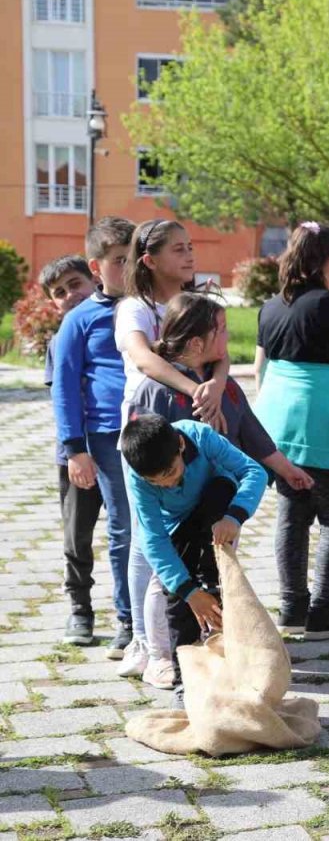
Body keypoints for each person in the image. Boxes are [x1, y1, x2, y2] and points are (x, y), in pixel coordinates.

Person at [115, 219, 229, 685]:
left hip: (193, 427)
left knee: (187, 533)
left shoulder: (202, 296)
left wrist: (215, 386)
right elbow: (145, 359)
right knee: (148, 537)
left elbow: (220, 352)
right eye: (177, 249)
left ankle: (188, 632)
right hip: (150, 425)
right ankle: (146, 642)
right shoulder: (134, 308)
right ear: (149, 259)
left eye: (190, 247)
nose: (189, 255)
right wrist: (196, 389)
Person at [254, 222, 329, 641]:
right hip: (320, 426)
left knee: (292, 516)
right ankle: (322, 609)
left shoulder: (270, 306)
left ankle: (291, 606)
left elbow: (259, 368)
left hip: (278, 427)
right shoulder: (326, 303)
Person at [120, 415, 266, 707]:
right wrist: (188, 591)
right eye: (157, 482)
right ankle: (183, 680)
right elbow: (153, 539)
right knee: (175, 592)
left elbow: (253, 471)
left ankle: (231, 662)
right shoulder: (138, 474)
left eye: (171, 472)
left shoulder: (199, 436)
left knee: (219, 583)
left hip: (217, 507)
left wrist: (234, 516)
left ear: (181, 445)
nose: (168, 483)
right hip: (175, 524)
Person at [128, 293, 314, 490]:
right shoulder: (155, 392)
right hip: (177, 508)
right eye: (222, 329)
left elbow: (253, 436)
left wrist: (287, 470)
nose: (229, 335)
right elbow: (140, 461)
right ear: (197, 344)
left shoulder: (226, 385)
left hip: (226, 502)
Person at [42, 253, 116, 650]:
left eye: (75, 285)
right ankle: (80, 608)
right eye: (59, 293)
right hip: (75, 451)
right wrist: (74, 450)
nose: (70, 295)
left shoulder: (115, 324)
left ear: (93, 279)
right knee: (77, 534)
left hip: (117, 444)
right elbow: (62, 396)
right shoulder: (61, 339)